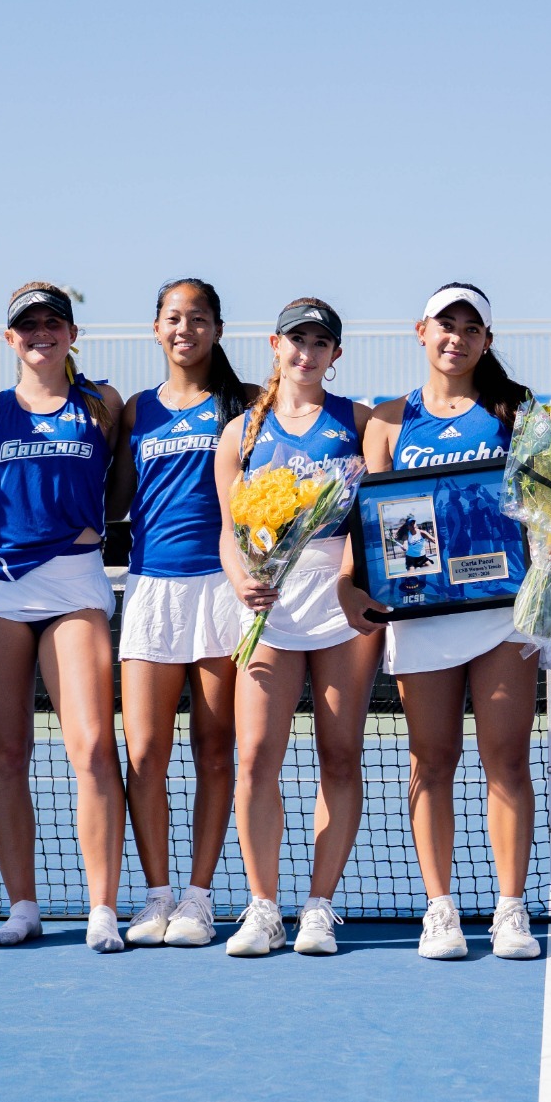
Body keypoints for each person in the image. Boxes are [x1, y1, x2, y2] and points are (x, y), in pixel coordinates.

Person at [340, 282, 545, 961]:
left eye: (471, 327)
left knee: (506, 758)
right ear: (421, 330)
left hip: (500, 612)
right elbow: (372, 522)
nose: (456, 336)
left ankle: (510, 908)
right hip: (423, 614)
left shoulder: (514, 411)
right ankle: (440, 908)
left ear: (486, 339)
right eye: (444, 324)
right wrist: (351, 581)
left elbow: (543, 499)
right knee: (432, 759)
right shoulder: (389, 423)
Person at [0, 283, 127, 952]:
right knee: (5, 753)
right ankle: (22, 905)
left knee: (91, 747)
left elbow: (119, 494)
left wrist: (84, 528)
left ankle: (102, 908)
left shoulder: (104, 404)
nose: (40, 333)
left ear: (71, 333)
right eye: (26, 325)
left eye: (52, 322)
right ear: (9, 339)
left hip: (75, 582)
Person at [217, 299, 382, 957]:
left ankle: (319, 906)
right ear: (274, 344)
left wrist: (348, 576)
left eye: (321, 343)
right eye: (296, 340)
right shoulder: (242, 433)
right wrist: (240, 580)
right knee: (256, 759)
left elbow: (378, 515)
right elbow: (228, 530)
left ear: (336, 354)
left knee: (339, 756)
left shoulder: (360, 422)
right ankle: (262, 908)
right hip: (266, 605)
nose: (307, 353)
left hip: (339, 603)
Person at [106, 278, 258, 948]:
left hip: (222, 591)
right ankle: (156, 895)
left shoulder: (248, 405)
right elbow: (110, 496)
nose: (184, 328)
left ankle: (198, 899)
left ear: (218, 328)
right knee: (144, 753)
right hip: (150, 592)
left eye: (198, 318)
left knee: (214, 750)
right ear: (155, 326)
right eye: (173, 317)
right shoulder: (137, 409)